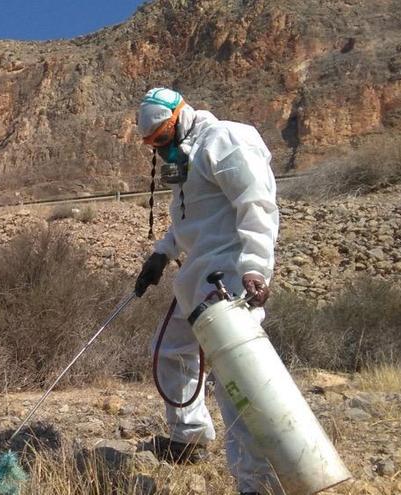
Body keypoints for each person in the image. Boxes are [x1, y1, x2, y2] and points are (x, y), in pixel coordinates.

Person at [133, 88, 279, 495]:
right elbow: (189, 220)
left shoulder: (226, 140)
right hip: (197, 278)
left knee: (236, 380)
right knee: (169, 351)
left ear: (180, 119)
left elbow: (257, 204)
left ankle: (259, 483)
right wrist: (161, 254)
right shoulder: (187, 161)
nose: (161, 152)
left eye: (162, 139)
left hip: (230, 277)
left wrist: (255, 267)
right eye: (153, 145)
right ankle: (189, 438)